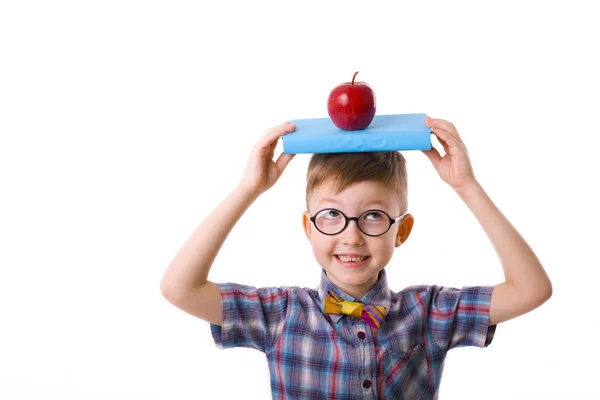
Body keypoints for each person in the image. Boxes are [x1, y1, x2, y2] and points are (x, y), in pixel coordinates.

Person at [160, 116, 552, 399]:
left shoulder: (429, 312)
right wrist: (249, 188)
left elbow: (530, 290)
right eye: (331, 214)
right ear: (308, 227)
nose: (352, 236)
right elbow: (180, 288)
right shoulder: (280, 313)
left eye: (373, 217)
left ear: (401, 230)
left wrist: (466, 185)